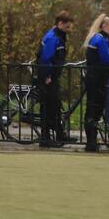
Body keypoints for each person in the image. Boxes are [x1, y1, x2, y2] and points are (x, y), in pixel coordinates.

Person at [36, 11, 74, 148]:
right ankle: (46, 137)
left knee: (54, 106)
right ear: (60, 24)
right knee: (48, 107)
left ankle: (58, 135)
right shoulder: (53, 38)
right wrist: (47, 76)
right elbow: (46, 58)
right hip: (48, 77)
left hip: (52, 76)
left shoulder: (58, 36)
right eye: (68, 26)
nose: (70, 29)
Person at [83, 14, 109, 152]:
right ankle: (91, 142)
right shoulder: (101, 40)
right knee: (95, 109)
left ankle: (90, 141)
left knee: (91, 108)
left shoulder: (94, 38)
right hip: (98, 78)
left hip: (92, 77)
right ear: (104, 26)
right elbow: (105, 60)